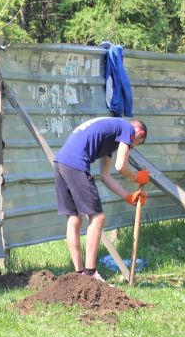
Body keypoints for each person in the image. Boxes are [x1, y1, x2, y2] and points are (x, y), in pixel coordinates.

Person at [54, 117, 150, 280]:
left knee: (74, 219)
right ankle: (91, 274)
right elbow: (121, 166)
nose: (132, 148)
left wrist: (128, 196)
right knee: (98, 217)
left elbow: (105, 177)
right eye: (136, 144)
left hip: (60, 162)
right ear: (139, 133)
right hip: (76, 164)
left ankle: (79, 275)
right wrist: (137, 177)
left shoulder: (110, 136)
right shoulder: (127, 128)